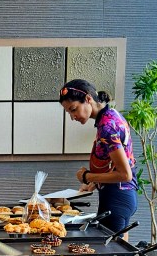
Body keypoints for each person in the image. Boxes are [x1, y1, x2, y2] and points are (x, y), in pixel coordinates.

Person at [59, 78, 138, 235]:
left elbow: (125, 174)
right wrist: (95, 182)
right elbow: (114, 165)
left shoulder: (107, 127)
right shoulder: (111, 115)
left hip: (116, 198)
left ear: (88, 99)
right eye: (69, 113)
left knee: (110, 250)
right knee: (117, 247)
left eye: (74, 109)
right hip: (121, 196)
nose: (73, 117)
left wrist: (87, 176)